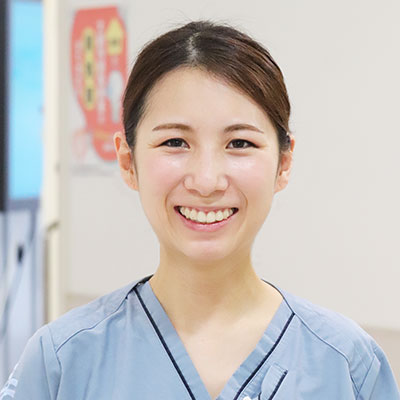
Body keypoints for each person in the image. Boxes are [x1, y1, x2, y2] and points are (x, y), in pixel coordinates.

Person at [1, 20, 399, 400]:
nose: (207, 181)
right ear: (127, 161)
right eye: (175, 142)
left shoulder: (347, 366)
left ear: (284, 162)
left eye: (240, 143)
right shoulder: (62, 362)